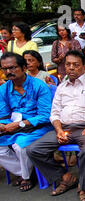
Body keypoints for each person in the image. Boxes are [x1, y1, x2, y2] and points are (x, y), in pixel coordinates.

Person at [26, 50, 85, 201]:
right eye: (68, 64)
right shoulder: (62, 87)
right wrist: (58, 130)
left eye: (76, 65)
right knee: (33, 149)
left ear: (84, 67)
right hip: (64, 128)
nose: (71, 68)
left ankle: (84, 186)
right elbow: (54, 113)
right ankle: (66, 177)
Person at [0, 52, 52, 192]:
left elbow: (46, 115)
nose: (8, 72)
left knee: (19, 146)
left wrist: (20, 124)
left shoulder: (39, 86)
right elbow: (4, 114)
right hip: (15, 127)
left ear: (24, 68)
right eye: (4, 69)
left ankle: (26, 176)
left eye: (12, 68)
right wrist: (3, 125)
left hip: (39, 127)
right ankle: (26, 171)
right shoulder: (3, 89)